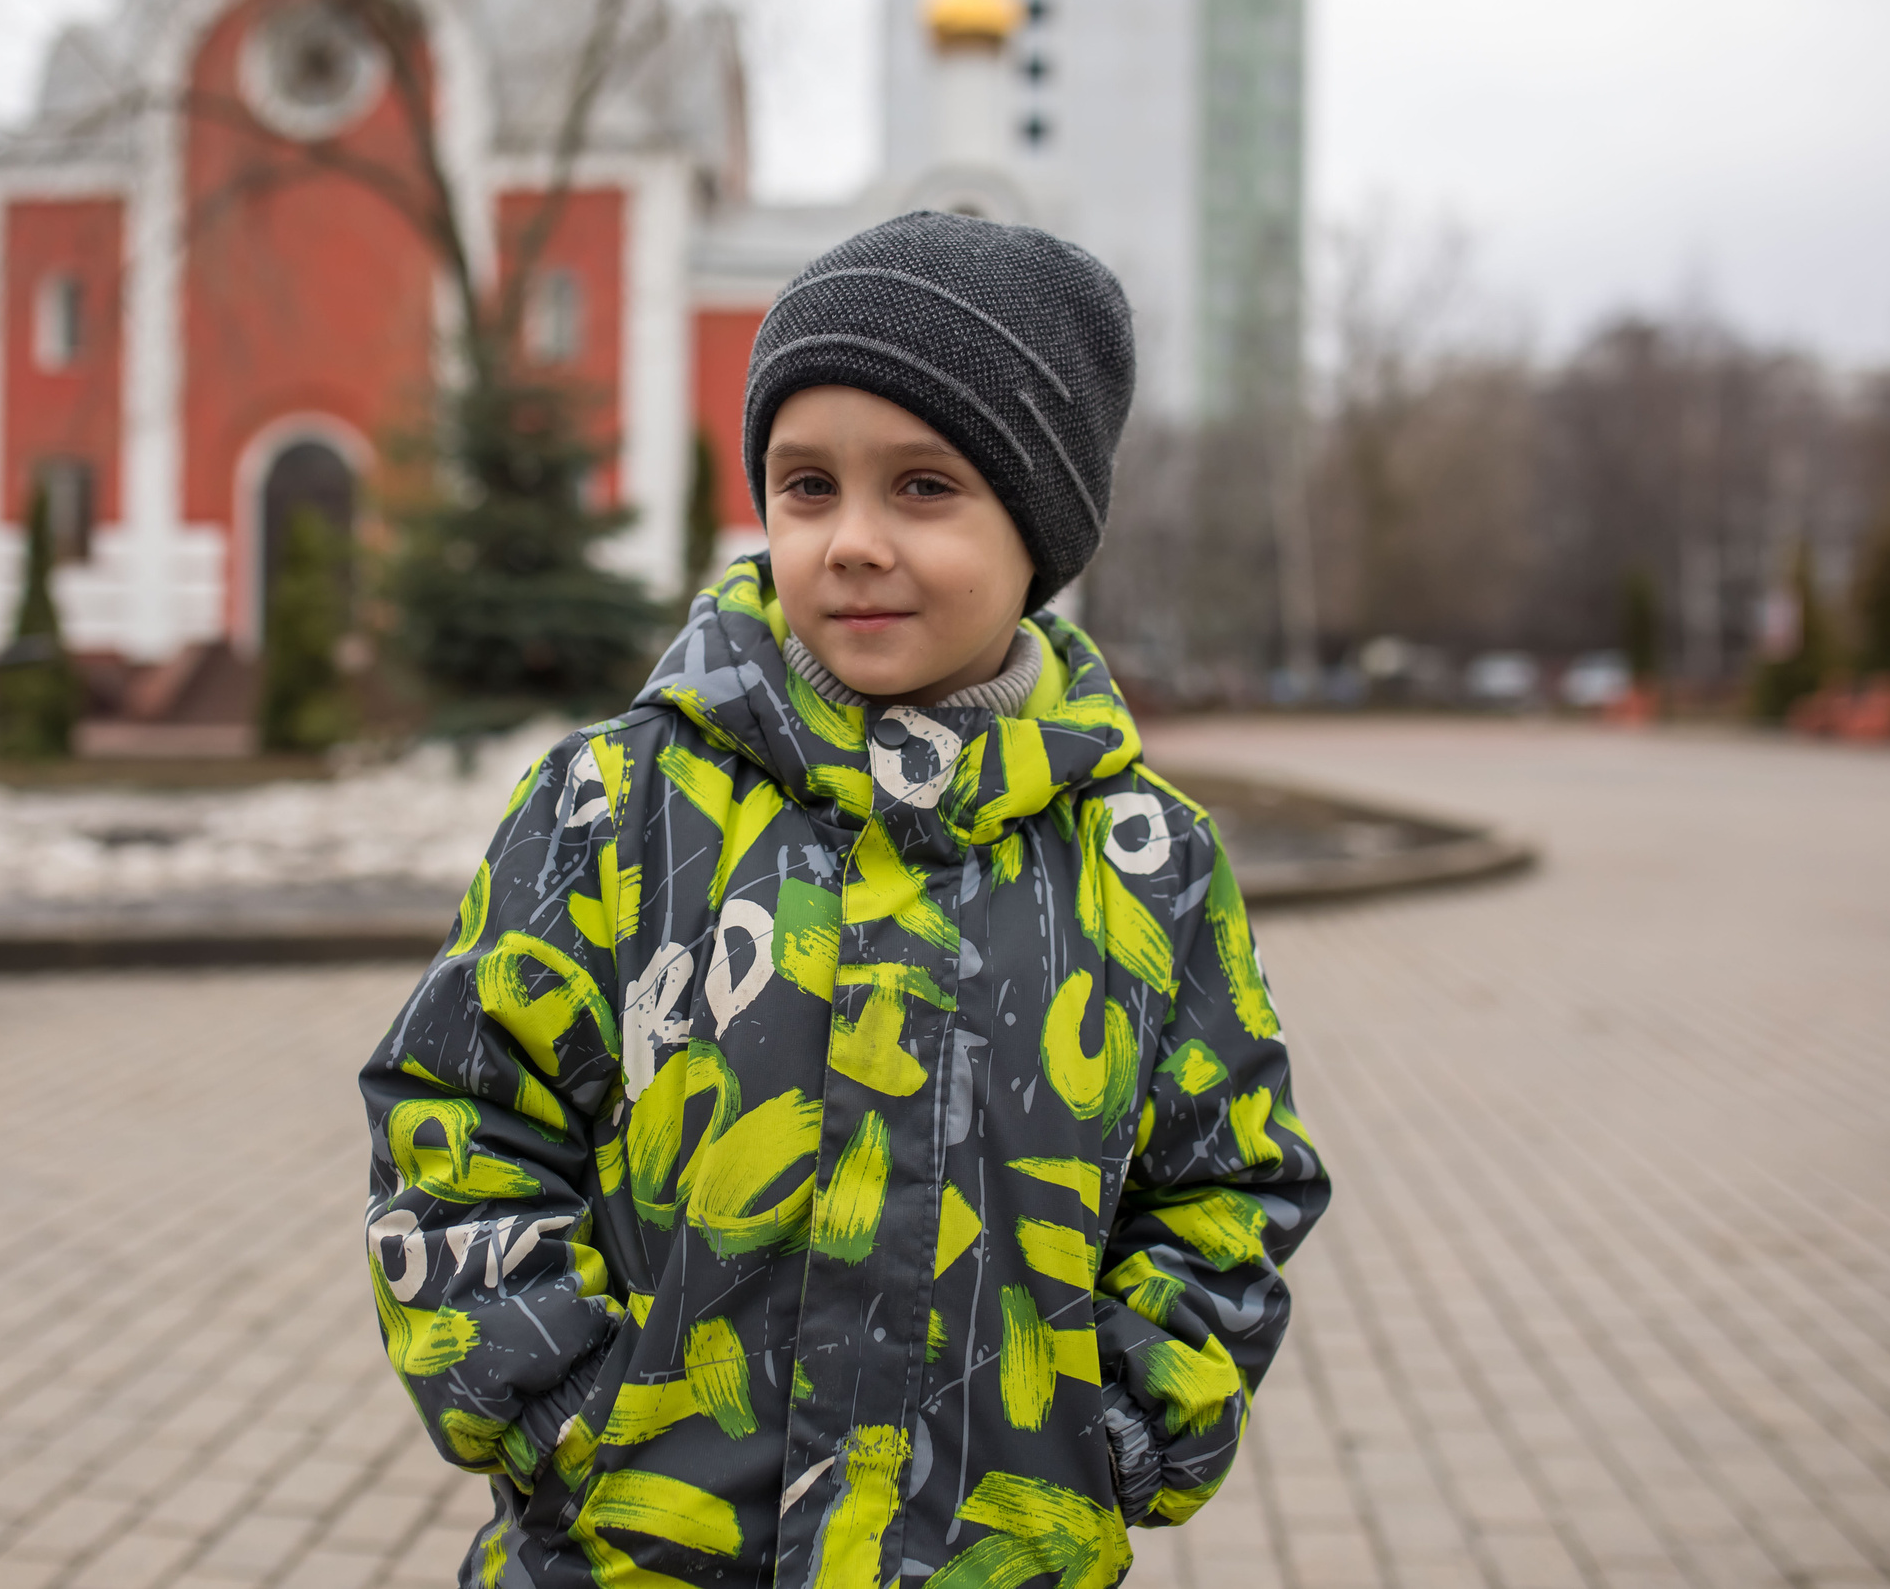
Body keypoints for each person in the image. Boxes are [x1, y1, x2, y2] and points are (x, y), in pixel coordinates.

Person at [361, 211, 1329, 1588]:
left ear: (1041, 526)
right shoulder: (618, 811)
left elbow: (1228, 1181)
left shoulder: (1143, 864)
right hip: (633, 1554)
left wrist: (1120, 1437)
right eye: (807, 486)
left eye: (924, 488)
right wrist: (561, 1418)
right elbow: (459, 1115)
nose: (853, 541)